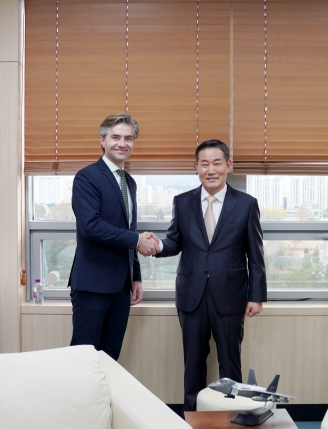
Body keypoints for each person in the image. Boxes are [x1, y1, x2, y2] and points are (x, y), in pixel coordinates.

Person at [142, 139, 267, 411]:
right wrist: (158, 246)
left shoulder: (246, 204)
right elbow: (174, 242)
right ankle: (192, 418)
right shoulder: (182, 202)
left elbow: (255, 255)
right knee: (193, 364)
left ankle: (232, 415)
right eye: (204, 164)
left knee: (230, 364)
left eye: (217, 163)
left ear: (228, 165)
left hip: (231, 296)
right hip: (191, 294)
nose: (211, 170)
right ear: (196, 167)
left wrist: (257, 296)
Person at [68, 113, 159, 360]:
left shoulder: (128, 181)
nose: (122, 143)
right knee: (83, 358)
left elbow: (131, 230)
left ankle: (103, 401)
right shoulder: (87, 177)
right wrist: (136, 240)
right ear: (102, 140)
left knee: (110, 357)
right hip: (92, 285)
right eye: (115, 137)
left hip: (121, 287)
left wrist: (136, 277)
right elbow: (91, 226)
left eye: (128, 138)